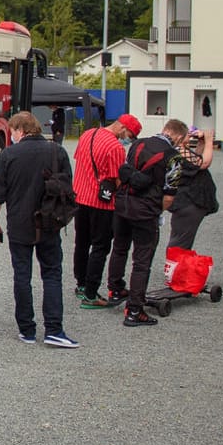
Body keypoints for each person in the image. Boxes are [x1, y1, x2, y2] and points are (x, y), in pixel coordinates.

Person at [0, 112, 76, 347]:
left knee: (22, 276)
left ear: (19, 130)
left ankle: (26, 329)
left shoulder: (9, 154)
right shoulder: (57, 150)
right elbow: (68, 183)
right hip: (49, 220)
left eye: (12, 131)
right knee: (52, 274)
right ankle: (54, 329)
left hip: (19, 223)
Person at [107, 119, 177, 327]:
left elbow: (125, 172)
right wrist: (158, 212)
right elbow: (170, 193)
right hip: (145, 210)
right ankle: (134, 309)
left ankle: (115, 288)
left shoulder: (137, 144)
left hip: (123, 204)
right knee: (142, 259)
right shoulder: (173, 157)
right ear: (178, 137)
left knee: (119, 248)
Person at [72, 114, 135, 307]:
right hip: (102, 203)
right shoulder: (115, 148)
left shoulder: (88, 134)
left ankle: (81, 284)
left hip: (79, 195)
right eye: (129, 135)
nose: (127, 140)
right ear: (123, 128)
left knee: (81, 243)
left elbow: (79, 160)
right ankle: (91, 294)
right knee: (100, 247)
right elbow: (118, 178)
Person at [164, 123, 218, 252]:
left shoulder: (178, 150)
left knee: (181, 239)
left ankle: (177, 267)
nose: (190, 136)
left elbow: (194, 162)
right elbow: (203, 163)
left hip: (186, 201)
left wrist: (201, 144)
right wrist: (209, 141)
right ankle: (175, 268)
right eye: (188, 134)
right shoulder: (178, 150)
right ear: (180, 136)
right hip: (189, 201)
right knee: (180, 242)